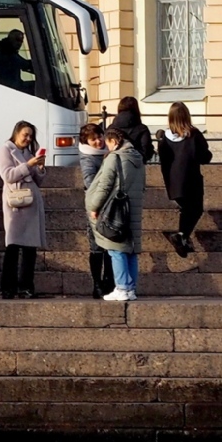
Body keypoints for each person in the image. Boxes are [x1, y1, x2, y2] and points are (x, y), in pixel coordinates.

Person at [91, 126, 147, 301]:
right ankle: (131, 289)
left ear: (114, 141)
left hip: (116, 209)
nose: (107, 148)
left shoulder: (114, 158)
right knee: (130, 250)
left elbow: (105, 186)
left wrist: (94, 206)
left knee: (116, 249)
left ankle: (122, 287)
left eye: (108, 143)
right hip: (133, 207)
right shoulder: (138, 158)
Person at [0, 120, 47, 299]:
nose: (28, 138)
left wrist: (39, 167)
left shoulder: (28, 152)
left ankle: (26, 286)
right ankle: (7, 287)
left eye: (30, 136)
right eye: (25, 135)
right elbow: (8, 175)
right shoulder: (6, 149)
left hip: (31, 204)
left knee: (30, 249)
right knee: (13, 246)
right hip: (16, 204)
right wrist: (29, 165)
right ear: (16, 133)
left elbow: (38, 181)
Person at [159, 101, 212, 259]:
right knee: (196, 209)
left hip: (173, 182)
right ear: (187, 116)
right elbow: (205, 156)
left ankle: (183, 238)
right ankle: (181, 235)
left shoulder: (165, 139)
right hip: (191, 179)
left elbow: (163, 158)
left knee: (186, 209)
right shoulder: (194, 134)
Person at [77, 122, 115, 299]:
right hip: (96, 207)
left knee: (109, 245)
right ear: (86, 141)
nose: (98, 142)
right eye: (93, 139)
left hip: (110, 205)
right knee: (97, 246)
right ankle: (97, 284)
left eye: (100, 137)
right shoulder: (88, 157)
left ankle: (108, 281)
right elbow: (89, 182)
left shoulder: (108, 154)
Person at [112, 96, 155, 161]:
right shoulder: (142, 129)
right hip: (135, 164)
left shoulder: (111, 127)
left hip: (114, 162)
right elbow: (147, 150)